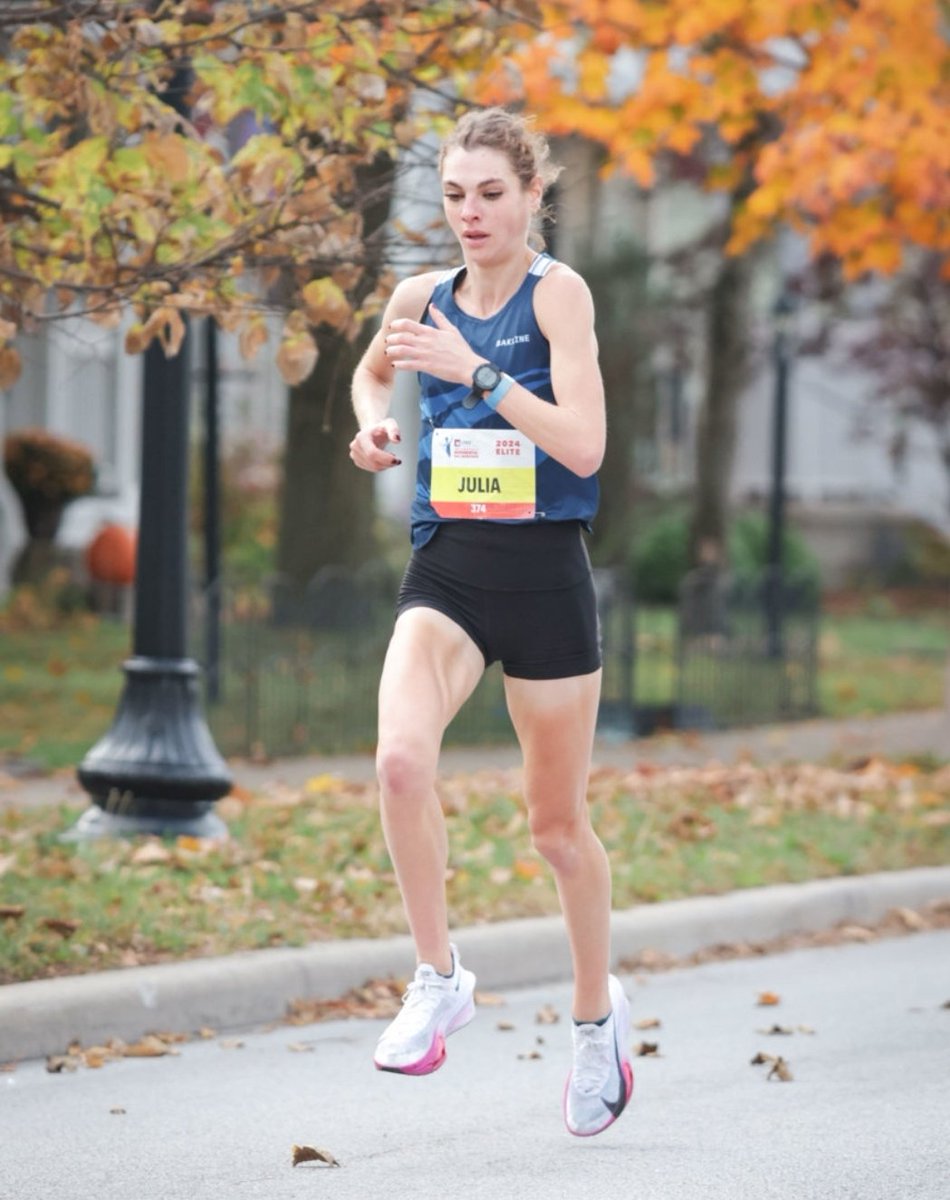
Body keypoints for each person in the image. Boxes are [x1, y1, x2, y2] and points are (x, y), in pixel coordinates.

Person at [348, 106, 633, 1138]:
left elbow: (586, 445)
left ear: (530, 195)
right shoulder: (419, 295)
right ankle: (437, 976)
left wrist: (475, 375)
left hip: (544, 575)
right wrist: (372, 426)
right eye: (454, 196)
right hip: (449, 572)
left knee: (555, 830)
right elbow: (375, 369)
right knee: (397, 765)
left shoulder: (559, 298)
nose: (469, 214)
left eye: (489, 195)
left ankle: (595, 1022)